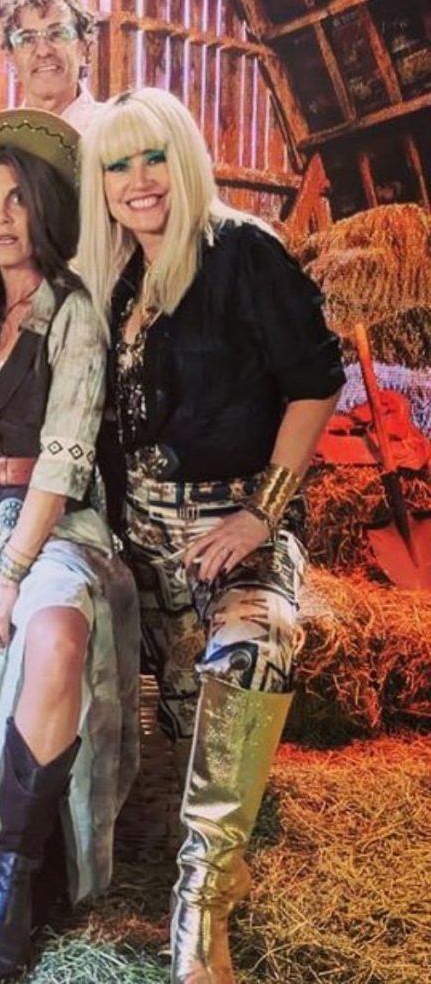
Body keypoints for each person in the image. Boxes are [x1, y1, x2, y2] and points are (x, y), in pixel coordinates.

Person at [76, 87, 345, 983]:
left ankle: (199, 909)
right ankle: (216, 855)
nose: (138, 179)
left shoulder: (242, 251)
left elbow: (316, 381)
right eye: (118, 164)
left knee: (252, 657)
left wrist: (263, 511)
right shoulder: (119, 276)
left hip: (237, 523)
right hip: (143, 538)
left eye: (153, 156)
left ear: (185, 158)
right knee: (198, 721)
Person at [0, 109, 140, 981]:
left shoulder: (72, 310)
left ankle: (15, 885)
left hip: (51, 523)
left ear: (43, 209)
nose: (2, 216)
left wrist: (13, 572)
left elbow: (66, 454)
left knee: (55, 636)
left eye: (17, 198)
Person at [0, 0, 101, 134]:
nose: (43, 51)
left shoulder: (115, 132)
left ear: (86, 49)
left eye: (57, 34)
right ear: (10, 58)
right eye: (27, 39)